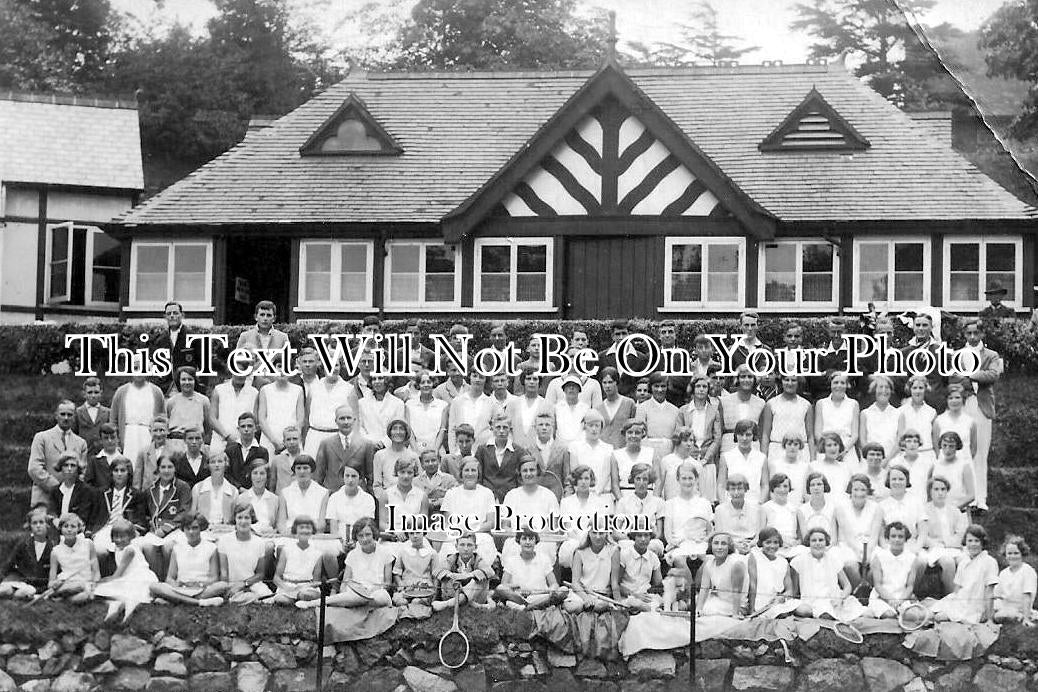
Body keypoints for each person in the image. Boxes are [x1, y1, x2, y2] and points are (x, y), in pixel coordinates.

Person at [956, 319, 1002, 511]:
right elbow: (952, 377)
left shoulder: (991, 355)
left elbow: (992, 375)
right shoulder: (957, 355)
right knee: (963, 451)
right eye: (969, 334)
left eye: (976, 333)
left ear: (982, 334)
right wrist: (965, 379)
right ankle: (966, 496)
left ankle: (980, 499)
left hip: (982, 406)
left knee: (981, 453)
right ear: (964, 335)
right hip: (962, 405)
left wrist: (970, 375)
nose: (973, 337)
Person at [304, 518, 392, 609]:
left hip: (377, 593)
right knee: (351, 597)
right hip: (357, 593)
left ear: (374, 534)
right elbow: (345, 582)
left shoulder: (385, 552)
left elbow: (387, 583)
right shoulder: (352, 555)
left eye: (368, 534)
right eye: (361, 536)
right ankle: (313, 603)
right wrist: (347, 593)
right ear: (356, 537)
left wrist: (375, 589)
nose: (364, 539)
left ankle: (356, 604)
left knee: (381, 596)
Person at [147, 511, 227, 608]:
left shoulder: (211, 548)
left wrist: (199, 584)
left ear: (201, 529)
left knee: (222, 586)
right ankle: (199, 602)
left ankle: (174, 600)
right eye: (187, 529)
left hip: (202, 588)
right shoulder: (177, 548)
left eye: (195, 528)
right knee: (154, 586)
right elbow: (170, 578)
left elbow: (214, 578)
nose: (191, 532)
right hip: (181, 588)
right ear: (183, 530)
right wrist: (178, 584)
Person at [790, 527, 865, 621]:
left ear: (826, 542)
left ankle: (830, 615)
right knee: (803, 610)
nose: (818, 543)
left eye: (821, 540)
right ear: (809, 543)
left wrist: (840, 599)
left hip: (833, 599)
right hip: (811, 601)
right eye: (814, 540)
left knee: (864, 613)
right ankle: (824, 615)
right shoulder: (799, 560)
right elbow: (794, 591)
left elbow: (847, 586)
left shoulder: (833, 559)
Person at [139, 453, 193, 577]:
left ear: (175, 469)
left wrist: (165, 529)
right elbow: (145, 513)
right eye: (163, 467)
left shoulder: (182, 487)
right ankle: (157, 578)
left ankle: (171, 578)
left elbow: (184, 512)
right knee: (147, 546)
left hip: (175, 529)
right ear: (158, 469)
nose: (166, 471)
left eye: (170, 467)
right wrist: (149, 526)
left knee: (168, 547)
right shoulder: (151, 489)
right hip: (155, 531)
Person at [932, 524, 998, 624]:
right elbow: (957, 589)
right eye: (970, 541)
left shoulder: (989, 562)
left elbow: (989, 592)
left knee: (939, 617)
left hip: (975, 606)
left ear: (982, 542)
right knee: (931, 612)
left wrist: (989, 619)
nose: (973, 544)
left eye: (976, 541)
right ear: (965, 542)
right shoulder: (963, 562)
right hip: (961, 602)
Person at [27, 400, 88, 509]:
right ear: (56, 416)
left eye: (69, 415)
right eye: (62, 414)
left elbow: (83, 472)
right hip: (45, 498)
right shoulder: (42, 438)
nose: (66, 418)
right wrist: (58, 488)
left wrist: (71, 490)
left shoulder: (81, 443)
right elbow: (34, 468)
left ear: (74, 417)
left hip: (72, 500)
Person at [94, 519, 158, 622]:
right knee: (107, 592)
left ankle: (128, 610)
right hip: (127, 577)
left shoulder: (130, 550)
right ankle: (117, 608)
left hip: (139, 578)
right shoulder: (117, 548)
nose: (118, 540)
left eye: (122, 537)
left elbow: (117, 575)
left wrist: (102, 580)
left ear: (130, 536)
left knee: (106, 588)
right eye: (116, 536)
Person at [501, 455, 560, 563]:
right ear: (520, 473)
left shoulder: (549, 495)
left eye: (532, 470)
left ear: (537, 472)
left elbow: (554, 529)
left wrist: (535, 537)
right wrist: (520, 536)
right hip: (517, 540)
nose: (528, 474)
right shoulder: (511, 495)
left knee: (542, 552)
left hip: (542, 540)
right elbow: (505, 526)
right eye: (525, 471)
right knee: (513, 550)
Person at [439, 457, 498, 565]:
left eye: (473, 470)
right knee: (449, 554)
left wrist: (472, 531)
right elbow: (448, 523)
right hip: (456, 535)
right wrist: (461, 532)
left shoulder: (487, 493)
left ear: (478, 473)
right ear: (461, 473)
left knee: (483, 552)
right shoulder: (451, 493)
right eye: (466, 470)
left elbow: (491, 522)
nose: (470, 474)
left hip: (480, 535)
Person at [495, 530, 568, 611]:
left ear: (535, 541)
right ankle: (531, 607)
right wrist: (519, 587)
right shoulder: (511, 560)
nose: (527, 542)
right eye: (524, 539)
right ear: (519, 541)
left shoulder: (544, 559)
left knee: (564, 590)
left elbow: (554, 584)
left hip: (540, 597)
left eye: (531, 539)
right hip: (519, 598)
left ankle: (528, 608)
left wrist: (546, 591)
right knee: (500, 588)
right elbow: (504, 584)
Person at [217, 502, 274, 604]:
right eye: (239, 517)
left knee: (268, 598)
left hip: (251, 583)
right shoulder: (224, 540)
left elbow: (260, 574)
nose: (243, 521)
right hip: (231, 583)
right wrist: (230, 587)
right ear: (235, 519)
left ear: (252, 519)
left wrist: (244, 584)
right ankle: (245, 598)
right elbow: (224, 572)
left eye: (247, 518)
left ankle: (248, 598)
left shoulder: (259, 542)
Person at [920, 475, 968, 594]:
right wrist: (935, 544)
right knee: (948, 562)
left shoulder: (954, 510)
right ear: (930, 492)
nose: (940, 493)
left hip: (953, 547)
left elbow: (961, 532)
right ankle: (950, 595)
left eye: (943, 489)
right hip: (934, 549)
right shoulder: (924, 510)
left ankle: (965, 594)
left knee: (965, 560)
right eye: (936, 489)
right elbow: (922, 534)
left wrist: (950, 543)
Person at [558, 465, 610, 568]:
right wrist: (580, 541)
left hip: (594, 539)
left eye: (586, 478)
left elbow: (599, 525)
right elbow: (567, 528)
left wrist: (588, 540)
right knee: (572, 546)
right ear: (575, 481)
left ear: (591, 481)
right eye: (580, 478)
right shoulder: (566, 502)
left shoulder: (599, 502)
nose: (583, 482)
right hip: (573, 539)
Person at [314, 405, 375, 493]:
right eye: (342, 418)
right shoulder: (326, 443)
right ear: (336, 421)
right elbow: (318, 475)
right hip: (333, 493)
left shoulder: (366, 444)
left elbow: (370, 475)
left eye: (349, 418)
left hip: (357, 494)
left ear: (354, 420)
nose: (346, 422)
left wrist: (369, 495)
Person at [93, 456, 147, 557]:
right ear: (111, 473)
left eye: (123, 471)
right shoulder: (101, 493)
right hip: (105, 528)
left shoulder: (137, 495)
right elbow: (94, 517)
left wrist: (129, 527)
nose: (119, 474)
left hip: (126, 529)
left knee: (128, 549)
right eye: (116, 470)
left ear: (128, 473)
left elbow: (141, 520)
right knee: (99, 550)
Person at [663, 461, 713, 567]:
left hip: (700, 546)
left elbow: (710, 531)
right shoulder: (670, 504)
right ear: (678, 479)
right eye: (684, 478)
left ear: (696, 479)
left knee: (708, 560)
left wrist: (703, 541)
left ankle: (700, 583)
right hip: (679, 546)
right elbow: (668, 534)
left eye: (690, 478)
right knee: (679, 558)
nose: (687, 482)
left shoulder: (705, 503)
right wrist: (676, 543)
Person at [566, 410, 618, 510]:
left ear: (601, 428)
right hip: (581, 498)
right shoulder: (575, 447)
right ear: (585, 426)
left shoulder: (608, 449)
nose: (594, 429)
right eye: (591, 425)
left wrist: (596, 494)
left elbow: (607, 475)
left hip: (603, 498)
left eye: (597, 426)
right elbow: (575, 474)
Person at [151, 301, 206, 394]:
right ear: (165, 317)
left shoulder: (193, 337)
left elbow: (203, 366)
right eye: (169, 314)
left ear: (182, 315)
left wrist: (201, 389)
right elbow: (154, 366)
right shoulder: (159, 340)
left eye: (175, 313)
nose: (172, 316)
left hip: (187, 389)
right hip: (165, 390)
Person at [760, 374, 814, 468]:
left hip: (800, 452)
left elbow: (810, 436)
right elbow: (765, 435)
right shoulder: (771, 404)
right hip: (777, 450)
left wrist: (813, 459)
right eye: (786, 380)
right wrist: (763, 458)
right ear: (781, 381)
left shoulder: (806, 405)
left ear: (798, 383)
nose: (790, 383)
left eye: (793, 380)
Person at [866, 521, 919, 619]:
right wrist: (890, 601)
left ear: (905, 539)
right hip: (881, 598)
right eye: (893, 536)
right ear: (887, 539)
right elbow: (877, 585)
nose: (897, 540)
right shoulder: (879, 556)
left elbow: (910, 586)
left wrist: (900, 601)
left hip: (901, 598)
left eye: (900, 536)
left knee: (911, 616)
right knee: (890, 615)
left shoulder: (912, 558)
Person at [836, 474, 880, 588]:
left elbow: (875, 535)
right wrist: (860, 552)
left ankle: (870, 590)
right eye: (856, 489)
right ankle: (858, 590)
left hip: (870, 545)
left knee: (877, 562)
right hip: (848, 545)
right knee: (850, 564)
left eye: (863, 489)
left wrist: (868, 551)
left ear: (868, 491)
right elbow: (848, 535)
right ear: (850, 490)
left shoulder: (876, 508)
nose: (859, 493)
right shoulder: (841, 507)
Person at [0, 507, 54, 599]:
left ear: (47, 525)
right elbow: (10, 563)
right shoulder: (24, 543)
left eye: (41, 522)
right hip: (22, 580)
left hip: (40, 585)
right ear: (30, 526)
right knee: (5, 590)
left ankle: (20, 596)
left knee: (26, 592)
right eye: (34, 523)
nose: (38, 526)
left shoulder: (52, 547)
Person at [110, 375, 165, 466]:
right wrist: (116, 444)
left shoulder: (156, 392)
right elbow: (113, 421)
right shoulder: (121, 391)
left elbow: (162, 419)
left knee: (148, 468)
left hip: (149, 436)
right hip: (128, 437)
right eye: (135, 368)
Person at [302, 360, 352, 458]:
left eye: (336, 365)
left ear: (340, 367)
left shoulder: (349, 389)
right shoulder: (313, 387)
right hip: (314, 438)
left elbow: (353, 420)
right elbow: (306, 417)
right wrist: (304, 441)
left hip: (338, 437)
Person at [208, 364, 259, 458]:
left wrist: (242, 438)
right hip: (220, 441)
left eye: (242, 372)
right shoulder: (219, 390)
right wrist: (227, 436)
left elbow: (255, 420)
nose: (239, 375)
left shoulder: (254, 392)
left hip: (245, 443)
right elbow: (212, 418)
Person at [433, 533, 494, 612]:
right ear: (456, 546)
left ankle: (448, 604)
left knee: (482, 578)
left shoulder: (478, 559)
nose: (465, 549)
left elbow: (490, 572)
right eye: (462, 545)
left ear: (475, 547)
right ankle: (471, 604)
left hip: (475, 596)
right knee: (446, 577)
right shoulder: (452, 559)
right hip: (453, 594)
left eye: (469, 545)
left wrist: (469, 575)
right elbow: (437, 570)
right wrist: (451, 575)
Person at [564, 529, 621, 613]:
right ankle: (584, 607)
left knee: (600, 606)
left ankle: (588, 608)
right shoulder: (579, 552)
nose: (597, 537)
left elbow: (614, 583)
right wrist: (586, 598)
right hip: (582, 593)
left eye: (601, 533)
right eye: (594, 532)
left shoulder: (614, 550)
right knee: (574, 607)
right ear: (588, 533)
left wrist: (619, 603)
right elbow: (575, 583)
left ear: (606, 533)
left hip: (601, 595)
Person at [48, 512, 100, 603]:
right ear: (60, 528)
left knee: (84, 594)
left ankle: (62, 599)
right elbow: (51, 582)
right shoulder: (56, 551)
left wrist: (95, 583)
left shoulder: (88, 544)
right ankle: (64, 596)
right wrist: (54, 584)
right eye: (66, 526)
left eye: (73, 526)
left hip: (85, 583)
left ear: (78, 528)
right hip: (67, 584)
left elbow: (96, 571)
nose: (69, 529)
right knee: (79, 590)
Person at [614, 463, 665, 555]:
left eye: (645, 479)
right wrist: (629, 538)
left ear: (649, 481)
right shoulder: (623, 502)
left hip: (650, 541)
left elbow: (659, 534)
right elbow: (616, 532)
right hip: (629, 541)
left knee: (656, 545)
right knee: (625, 547)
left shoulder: (658, 502)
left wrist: (645, 539)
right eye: (638, 479)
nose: (641, 483)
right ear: (633, 480)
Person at [875, 465, 928, 554]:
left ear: (906, 481)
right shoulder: (882, 505)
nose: (897, 482)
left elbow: (923, 532)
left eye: (901, 479)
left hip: (912, 545)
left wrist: (916, 549)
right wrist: (887, 550)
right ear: (888, 481)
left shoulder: (916, 502)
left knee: (921, 561)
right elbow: (881, 536)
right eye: (894, 479)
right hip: (889, 547)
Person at [272, 516, 323, 607]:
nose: (304, 530)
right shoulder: (286, 550)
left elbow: (316, 581)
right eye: (301, 527)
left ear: (312, 531)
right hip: (288, 586)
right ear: (295, 531)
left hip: (307, 587)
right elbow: (276, 578)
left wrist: (305, 587)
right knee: (281, 600)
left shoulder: (317, 553)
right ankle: (296, 601)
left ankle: (301, 599)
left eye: (308, 528)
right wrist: (286, 587)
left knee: (306, 595)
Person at [379, 457, 429, 547]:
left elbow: (423, 521)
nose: (406, 476)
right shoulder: (386, 494)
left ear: (414, 474)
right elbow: (382, 523)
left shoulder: (422, 495)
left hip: (414, 538)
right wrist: (395, 531)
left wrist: (410, 525)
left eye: (409, 472)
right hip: (391, 539)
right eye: (402, 472)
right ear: (396, 473)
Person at [746, 527, 795, 618]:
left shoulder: (783, 562)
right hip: (761, 602)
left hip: (777, 601)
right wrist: (751, 610)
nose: (772, 546)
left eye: (775, 542)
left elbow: (790, 590)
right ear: (761, 543)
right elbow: (753, 585)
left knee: (804, 609)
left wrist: (782, 597)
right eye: (768, 542)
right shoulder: (755, 557)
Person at [50, 452, 103, 535]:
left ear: (78, 469)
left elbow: (83, 517)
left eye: (73, 465)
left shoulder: (87, 491)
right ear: (61, 468)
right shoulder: (55, 490)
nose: (69, 468)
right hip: (58, 532)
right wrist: (55, 520)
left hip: (79, 533)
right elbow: (52, 512)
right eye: (66, 465)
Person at [257, 364, 305, 456]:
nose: (282, 371)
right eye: (279, 367)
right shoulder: (265, 390)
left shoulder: (298, 390)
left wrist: (293, 438)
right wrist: (275, 442)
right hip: (269, 439)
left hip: (292, 440)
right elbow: (262, 419)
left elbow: (300, 419)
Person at [476, 415, 525, 502]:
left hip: (511, 498)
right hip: (486, 497)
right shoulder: (482, 449)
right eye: (498, 427)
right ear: (492, 428)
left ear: (510, 429)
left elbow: (521, 478)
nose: (501, 431)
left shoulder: (518, 451)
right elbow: (478, 476)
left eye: (505, 427)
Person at [814, 372, 860, 466]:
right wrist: (828, 448)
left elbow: (855, 434)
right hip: (825, 449)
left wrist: (843, 451)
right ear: (830, 385)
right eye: (836, 382)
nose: (839, 385)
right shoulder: (821, 403)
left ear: (847, 385)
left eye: (842, 383)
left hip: (847, 451)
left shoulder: (853, 404)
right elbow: (817, 433)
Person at [718, 420, 769, 505]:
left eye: (748, 435)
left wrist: (760, 504)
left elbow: (765, 485)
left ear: (753, 436)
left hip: (754, 504)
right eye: (741, 434)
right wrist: (724, 504)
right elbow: (721, 485)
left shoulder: (761, 458)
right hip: (732, 504)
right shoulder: (726, 457)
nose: (744, 438)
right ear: (736, 435)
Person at [696, 532, 747, 617]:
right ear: (711, 546)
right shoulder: (709, 563)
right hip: (719, 602)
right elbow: (704, 589)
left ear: (729, 546)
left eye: (723, 544)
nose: (719, 547)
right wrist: (698, 610)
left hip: (736, 606)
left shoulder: (736, 563)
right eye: (716, 543)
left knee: (708, 610)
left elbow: (737, 591)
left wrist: (735, 614)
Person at [326, 465, 377, 548]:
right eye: (347, 476)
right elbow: (333, 529)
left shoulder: (368, 499)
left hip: (361, 540)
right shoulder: (334, 498)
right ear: (343, 477)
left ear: (360, 479)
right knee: (329, 553)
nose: (350, 480)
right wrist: (341, 542)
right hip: (339, 542)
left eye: (354, 476)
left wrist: (356, 542)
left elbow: (367, 526)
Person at [713, 474, 765, 556]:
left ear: (746, 489)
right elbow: (720, 534)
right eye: (733, 489)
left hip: (752, 546)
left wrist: (750, 545)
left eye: (740, 489)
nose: (736, 492)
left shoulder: (757, 509)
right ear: (728, 490)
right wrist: (736, 546)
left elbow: (759, 535)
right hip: (729, 547)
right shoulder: (720, 510)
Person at [719, 366, 766, 454]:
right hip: (729, 448)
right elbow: (718, 432)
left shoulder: (761, 403)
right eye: (743, 376)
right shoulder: (724, 401)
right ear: (737, 379)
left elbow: (762, 433)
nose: (746, 380)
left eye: (750, 377)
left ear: (755, 379)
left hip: (753, 450)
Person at [277, 456, 328, 535]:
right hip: (291, 535)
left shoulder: (323, 492)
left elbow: (321, 524)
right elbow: (281, 523)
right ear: (294, 470)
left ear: (312, 470)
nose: (302, 471)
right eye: (298, 468)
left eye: (305, 468)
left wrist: (306, 532)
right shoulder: (285, 492)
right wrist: (290, 533)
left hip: (314, 535)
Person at [165, 367, 211, 455]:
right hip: (175, 444)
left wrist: (206, 445)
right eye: (183, 379)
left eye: (190, 379)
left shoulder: (203, 401)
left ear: (195, 381)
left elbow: (208, 427)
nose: (187, 382)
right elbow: (166, 425)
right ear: (179, 381)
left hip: (195, 443)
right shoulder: (171, 401)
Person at [993, 535, 1037, 625]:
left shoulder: (1028, 571)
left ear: (1022, 554)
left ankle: (1020, 617)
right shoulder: (1003, 573)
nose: (1012, 556)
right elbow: (997, 595)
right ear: (1005, 555)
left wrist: (1026, 619)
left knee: (1003, 615)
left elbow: (1027, 596)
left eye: (1016, 553)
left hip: (1021, 607)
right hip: (1005, 606)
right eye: (1009, 553)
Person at [618, 529, 664, 611]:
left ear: (650, 537)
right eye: (639, 535)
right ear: (634, 537)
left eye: (646, 535)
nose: (643, 539)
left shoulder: (653, 557)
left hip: (646, 598)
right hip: (627, 597)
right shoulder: (624, 554)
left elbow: (658, 584)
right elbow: (615, 584)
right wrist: (634, 594)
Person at [392, 530, 440, 607]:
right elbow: (396, 573)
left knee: (416, 602)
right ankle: (405, 613)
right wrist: (400, 584)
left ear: (424, 533)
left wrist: (434, 593)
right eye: (411, 533)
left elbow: (436, 576)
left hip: (424, 587)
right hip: (406, 586)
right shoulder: (403, 551)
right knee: (401, 601)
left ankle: (417, 608)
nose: (415, 536)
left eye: (418, 533)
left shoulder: (432, 553)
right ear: (408, 534)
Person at [448, 371, 493, 453]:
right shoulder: (457, 401)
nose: (477, 380)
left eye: (481, 377)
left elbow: (494, 429)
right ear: (470, 377)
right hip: (460, 452)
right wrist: (453, 452)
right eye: (475, 376)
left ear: (486, 379)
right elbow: (452, 429)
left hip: (483, 453)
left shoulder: (491, 402)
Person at [405, 370, 449, 454]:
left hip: (436, 451)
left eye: (429, 382)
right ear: (418, 385)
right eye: (422, 382)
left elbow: (442, 430)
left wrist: (435, 452)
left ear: (433, 384)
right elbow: (409, 430)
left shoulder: (443, 405)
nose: (426, 385)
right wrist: (415, 451)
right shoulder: (409, 404)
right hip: (414, 450)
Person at [897, 376, 937, 467]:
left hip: (927, 455)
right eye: (914, 388)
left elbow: (934, 438)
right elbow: (899, 437)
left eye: (921, 388)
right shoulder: (900, 411)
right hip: (906, 456)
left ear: (925, 389)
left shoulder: (931, 412)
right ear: (910, 389)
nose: (917, 391)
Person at [639, 372, 682, 457]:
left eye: (663, 386)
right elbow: (640, 433)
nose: (660, 390)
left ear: (667, 387)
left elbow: (677, 436)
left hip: (669, 452)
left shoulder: (675, 410)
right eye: (656, 386)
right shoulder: (642, 408)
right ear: (651, 387)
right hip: (648, 451)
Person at [357, 374, 405, 449]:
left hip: (390, 448)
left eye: (380, 378)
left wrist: (384, 443)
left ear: (387, 381)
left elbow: (398, 428)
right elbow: (359, 427)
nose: (377, 382)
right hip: (367, 447)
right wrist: (371, 442)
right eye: (374, 379)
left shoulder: (398, 403)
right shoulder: (362, 403)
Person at [372, 420, 419, 496]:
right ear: (390, 432)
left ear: (406, 432)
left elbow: (419, 482)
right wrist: (384, 500)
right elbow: (377, 485)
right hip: (388, 500)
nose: (398, 432)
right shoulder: (380, 455)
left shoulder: (413, 456)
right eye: (394, 429)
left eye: (401, 429)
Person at [859, 375, 901, 461]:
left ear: (891, 391)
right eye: (880, 387)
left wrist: (886, 460)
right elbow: (863, 441)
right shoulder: (865, 413)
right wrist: (872, 458)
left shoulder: (899, 414)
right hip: (870, 461)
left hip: (893, 461)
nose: (884, 390)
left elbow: (899, 442)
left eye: (887, 387)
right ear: (874, 390)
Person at [931, 431, 976, 512]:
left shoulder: (964, 466)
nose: (947, 450)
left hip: (958, 511)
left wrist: (952, 509)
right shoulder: (935, 465)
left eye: (951, 446)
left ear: (957, 447)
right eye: (944, 445)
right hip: (938, 512)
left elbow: (971, 495)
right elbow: (929, 491)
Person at [933, 388, 978, 467]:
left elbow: (973, 448)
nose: (954, 401)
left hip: (964, 464)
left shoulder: (970, 422)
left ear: (962, 400)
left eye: (957, 397)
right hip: (944, 465)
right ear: (947, 401)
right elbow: (936, 445)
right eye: (950, 398)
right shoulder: (939, 421)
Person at [192, 453, 239, 529]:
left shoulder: (233, 491)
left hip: (225, 530)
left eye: (220, 461)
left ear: (226, 464)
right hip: (202, 530)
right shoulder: (198, 488)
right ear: (208, 465)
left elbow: (234, 518)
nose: (217, 465)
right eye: (213, 462)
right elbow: (192, 513)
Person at [224, 413, 269, 488]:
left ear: (255, 428)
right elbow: (226, 474)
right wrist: (239, 488)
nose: (246, 429)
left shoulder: (262, 452)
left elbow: (262, 475)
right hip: (233, 491)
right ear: (238, 429)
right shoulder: (230, 450)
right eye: (243, 426)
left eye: (250, 426)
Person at [595, 367, 636, 449]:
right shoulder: (598, 408)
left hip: (623, 450)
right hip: (604, 452)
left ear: (617, 383)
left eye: (610, 382)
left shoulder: (629, 403)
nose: (607, 386)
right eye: (604, 383)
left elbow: (634, 427)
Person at [508, 370, 550, 449]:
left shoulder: (546, 405)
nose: (531, 382)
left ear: (539, 382)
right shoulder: (513, 404)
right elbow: (507, 429)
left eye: (535, 379)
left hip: (539, 452)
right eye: (528, 379)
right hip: (516, 452)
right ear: (523, 381)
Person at [888, 430, 932, 505]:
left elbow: (930, 486)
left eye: (915, 441)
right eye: (909, 441)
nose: (912, 444)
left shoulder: (928, 463)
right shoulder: (894, 462)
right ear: (903, 444)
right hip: (900, 503)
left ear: (919, 444)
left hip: (922, 502)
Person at [762, 474, 800, 559]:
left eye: (785, 486)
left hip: (791, 546)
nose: (782, 490)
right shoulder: (765, 508)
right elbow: (761, 534)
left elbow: (800, 536)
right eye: (778, 486)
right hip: (773, 545)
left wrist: (795, 543)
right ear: (773, 488)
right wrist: (781, 542)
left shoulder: (795, 508)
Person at [238, 459, 279, 535]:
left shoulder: (275, 500)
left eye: (262, 473)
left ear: (267, 476)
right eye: (255, 473)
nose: (258, 477)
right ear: (250, 475)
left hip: (269, 538)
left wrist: (272, 532)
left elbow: (278, 526)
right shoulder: (241, 499)